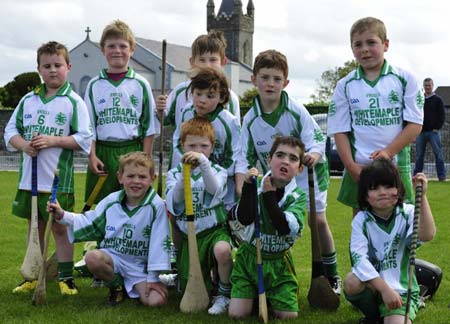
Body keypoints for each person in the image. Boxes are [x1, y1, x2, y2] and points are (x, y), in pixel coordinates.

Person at [235, 49, 341, 293]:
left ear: (286, 83)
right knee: (276, 224)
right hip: (278, 179)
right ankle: (280, 278)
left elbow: (315, 138)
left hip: (308, 174)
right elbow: (244, 156)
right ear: (253, 80)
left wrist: (313, 154)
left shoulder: (296, 110)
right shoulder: (250, 119)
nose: (270, 84)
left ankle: (331, 275)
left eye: (276, 79)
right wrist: (244, 181)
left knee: (318, 221)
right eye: (265, 77)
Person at [4, 41, 92, 295]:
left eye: (58, 65)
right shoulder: (28, 100)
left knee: (59, 227)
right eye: (47, 66)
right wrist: (23, 145)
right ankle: (32, 274)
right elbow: (11, 130)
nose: (53, 70)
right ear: (39, 69)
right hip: (28, 180)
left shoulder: (74, 102)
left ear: (68, 67)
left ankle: (66, 278)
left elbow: (84, 138)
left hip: (57, 180)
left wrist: (53, 141)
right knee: (35, 227)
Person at [327, 17, 424, 217]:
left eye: (371, 42)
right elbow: (339, 131)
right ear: (351, 48)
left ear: (386, 44)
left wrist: (388, 152)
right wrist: (352, 167)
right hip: (360, 170)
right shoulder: (344, 85)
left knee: (401, 229)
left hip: (395, 167)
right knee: (362, 231)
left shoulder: (405, 79)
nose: (364, 49)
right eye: (358, 44)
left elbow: (415, 124)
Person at [48, 151, 171, 306]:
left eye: (142, 177)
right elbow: (89, 221)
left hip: (139, 267)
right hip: (113, 259)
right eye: (131, 176)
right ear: (120, 177)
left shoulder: (157, 205)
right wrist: (62, 215)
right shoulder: (111, 201)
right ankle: (116, 285)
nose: (136, 181)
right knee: (92, 257)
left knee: (156, 302)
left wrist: (153, 278)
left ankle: (133, 285)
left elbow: (159, 242)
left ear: (152, 179)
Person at [344, 158, 435, 324]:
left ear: (399, 190)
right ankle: (374, 317)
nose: (382, 192)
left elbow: (427, 234)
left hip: (401, 291)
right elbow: (359, 261)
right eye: (374, 188)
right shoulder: (361, 220)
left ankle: (402, 309)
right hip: (376, 288)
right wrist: (384, 289)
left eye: (388, 186)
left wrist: (422, 197)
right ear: (365, 195)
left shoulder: (407, 213)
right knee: (352, 281)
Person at [229, 136, 307, 320]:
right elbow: (244, 218)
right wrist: (248, 187)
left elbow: (283, 227)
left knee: (289, 316)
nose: (285, 161)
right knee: (237, 314)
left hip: (278, 264)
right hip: (249, 258)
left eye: (293, 159)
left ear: (300, 169)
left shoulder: (297, 196)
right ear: (269, 160)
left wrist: (268, 195)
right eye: (280, 155)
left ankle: (271, 295)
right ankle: (252, 295)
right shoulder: (255, 186)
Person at [84, 19, 158, 204]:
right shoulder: (94, 84)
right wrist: (92, 156)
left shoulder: (141, 84)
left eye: (123, 46)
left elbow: (149, 127)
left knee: (134, 205)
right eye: (111, 46)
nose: (117, 50)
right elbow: (89, 126)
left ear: (132, 49)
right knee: (100, 206)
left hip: (132, 150)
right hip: (103, 151)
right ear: (103, 49)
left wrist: (145, 161)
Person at [165, 117, 233, 315]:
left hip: (213, 231)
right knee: (188, 285)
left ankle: (224, 294)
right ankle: (196, 280)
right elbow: (175, 201)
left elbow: (215, 189)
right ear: (182, 146)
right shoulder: (173, 173)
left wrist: (203, 164)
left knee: (222, 251)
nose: (198, 150)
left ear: (212, 147)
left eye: (204, 146)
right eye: (192, 145)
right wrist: (184, 174)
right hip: (190, 237)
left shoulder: (218, 170)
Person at [156, 30, 240, 170]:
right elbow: (166, 121)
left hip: (215, 174)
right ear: (192, 62)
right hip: (183, 169)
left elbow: (233, 139)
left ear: (223, 62)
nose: (207, 65)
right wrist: (160, 110)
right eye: (202, 60)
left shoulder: (231, 99)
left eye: (213, 60)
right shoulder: (180, 92)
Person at [171, 67, 241, 210]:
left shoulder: (229, 122)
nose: (202, 100)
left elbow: (234, 154)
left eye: (209, 96)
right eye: (198, 94)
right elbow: (178, 141)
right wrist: (186, 164)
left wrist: (215, 174)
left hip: (220, 185)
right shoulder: (187, 112)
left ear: (221, 97)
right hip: (191, 178)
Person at [413, 78, 447, 181]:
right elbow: (415, 114)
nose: (427, 87)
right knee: (419, 156)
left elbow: (442, 115)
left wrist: (437, 127)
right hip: (420, 132)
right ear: (423, 86)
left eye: (429, 85)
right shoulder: (420, 100)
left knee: (438, 154)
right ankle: (416, 177)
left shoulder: (438, 100)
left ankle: (441, 177)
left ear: (432, 86)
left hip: (433, 132)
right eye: (426, 85)